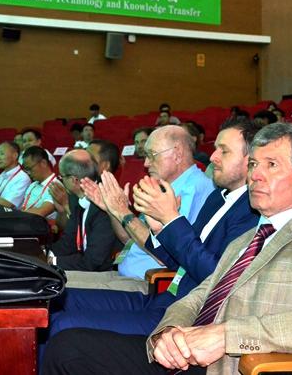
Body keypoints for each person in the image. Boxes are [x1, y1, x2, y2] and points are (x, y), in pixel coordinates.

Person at [43, 122, 292, 375]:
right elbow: (202, 292)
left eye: (271, 165)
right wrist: (170, 331)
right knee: (65, 347)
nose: (256, 175)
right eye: (254, 165)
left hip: (240, 364)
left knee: (68, 344)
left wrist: (227, 335)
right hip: (188, 353)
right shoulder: (250, 236)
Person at [47, 119, 260, 339]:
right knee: (54, 300)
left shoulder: (221, 199)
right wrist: (126, 216)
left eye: (223, 151)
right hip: (159, 293)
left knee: (63, 321)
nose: (212, 157)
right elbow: (166, 252)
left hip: (165, 295)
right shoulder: (217, 198)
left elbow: (215, 276)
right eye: (215, 149)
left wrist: (165, 220)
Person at [67, 126, 214, 292]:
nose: (146, 163)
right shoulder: (165, 188)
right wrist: (112, 210)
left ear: (177, 153)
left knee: (60, 290)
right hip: (124, 275)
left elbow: (165, 253)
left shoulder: (194, 189)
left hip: (148, 284)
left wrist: (123, 212)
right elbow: (129, 238)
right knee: (59, 279)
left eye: (152, 155)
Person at [47, 149, 119, 271]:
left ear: (74, 180)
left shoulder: (105, 205)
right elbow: (68, 242)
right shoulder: (77, 199)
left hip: (104, 273)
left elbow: (93, 262)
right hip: (84, 265)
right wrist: (44, 254)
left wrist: (52, 261)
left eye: (62, 177)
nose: (61, 181)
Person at [0, 141, 31, 209]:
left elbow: (8, 204)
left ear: (15, 156)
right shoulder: (1, 175)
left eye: (2, 154)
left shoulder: (23, 178)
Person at [20, 146, 61, 219]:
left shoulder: (56, 185)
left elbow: (41, 212)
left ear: (43, 163)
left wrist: (18, 214)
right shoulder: (32, 185)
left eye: (29, 168)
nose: (28, 173)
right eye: (26, 169)